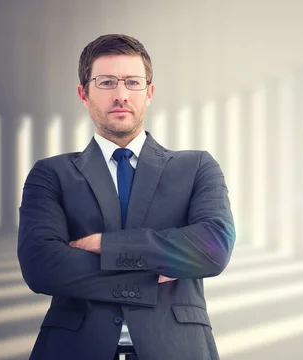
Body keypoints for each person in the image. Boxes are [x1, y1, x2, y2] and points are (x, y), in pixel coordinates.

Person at [17, 34, 235, 360]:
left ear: (149, 92)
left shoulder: (196, 167)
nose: (120, 95)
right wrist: (155, 272)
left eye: (132, 82)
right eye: (106, 82)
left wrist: (108, 246)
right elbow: (42, 266)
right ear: (83, 93)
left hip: (177, 348)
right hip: (74, 349)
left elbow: (214, 249)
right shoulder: (51, 174)